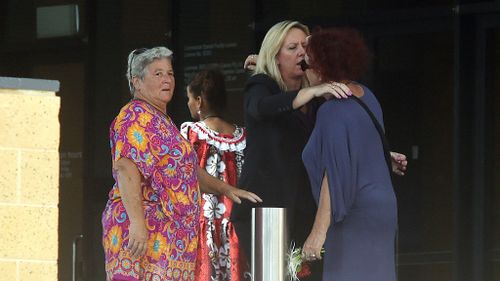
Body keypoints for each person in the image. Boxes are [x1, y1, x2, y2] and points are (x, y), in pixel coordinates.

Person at [101, 47, 260, 281]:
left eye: (170, 73)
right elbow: (126, 168)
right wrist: (136, 222)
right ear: (137, 82)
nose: (167, 79)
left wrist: (226, 188)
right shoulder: (134, 116)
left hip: (172, 239)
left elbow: (187, 172)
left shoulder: (163, 121)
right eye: (158, 74)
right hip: (144, 233)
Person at [230, 20, 356, 280]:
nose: (301, 52)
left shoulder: (318, 99)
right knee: (274, 275)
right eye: (292, 47)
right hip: (267, 207)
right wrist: (310, 93)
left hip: (303, 207)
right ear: (275, 56)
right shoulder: (262, 84)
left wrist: (380, 155)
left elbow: (330, 145)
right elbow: (260, 107)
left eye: (304, 46)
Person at [301, 28, 397, 281]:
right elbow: (362, 149)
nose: (302, 70)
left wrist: (318, 232)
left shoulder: (332, 110)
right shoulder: (367, 96)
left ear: (321, 68)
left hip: (356, 213)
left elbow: (334, 175)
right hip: (383, 208)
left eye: (305, 64)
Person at [180, 69, 249, 280]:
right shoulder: (244, 136)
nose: (189, 104)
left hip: (204, 223)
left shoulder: (190, 133)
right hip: (237, 225)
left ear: (199, 101)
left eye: (189, 99)